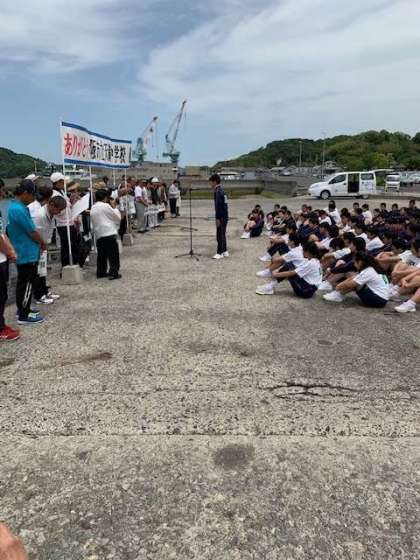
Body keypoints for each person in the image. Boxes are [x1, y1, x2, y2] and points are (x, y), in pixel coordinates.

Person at [7, 180, 46, 325]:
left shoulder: (16, 207)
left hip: (24, 250)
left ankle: (24, 308)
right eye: (32, 195)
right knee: (27, 283)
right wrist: (42, 242)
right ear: (24, 193)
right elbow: (32, 231)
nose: (34, 199)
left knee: (24, 282)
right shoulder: (19, 209)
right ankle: (23, 314)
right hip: (26, 252)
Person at [32, 196, 67, 304]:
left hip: (43, 244)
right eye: (58, 209)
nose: (59, 212)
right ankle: (38, 296)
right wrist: (42, 244)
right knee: (37, 271)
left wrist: (46, 243)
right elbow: (35, 233)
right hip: (36, 245)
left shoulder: (51, 214)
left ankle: (44, 291)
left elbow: (50, 230)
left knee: (42, 270)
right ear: (51, 205)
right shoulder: (40, 215)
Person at [256, 241, 322, 298]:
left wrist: (275, 274)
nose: (302, 252)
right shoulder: (315, 261)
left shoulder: (311, 263)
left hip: (306, 291)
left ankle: (270, 286)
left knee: (290, 270)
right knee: (290, 265)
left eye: (303, 251)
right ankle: (271, 285)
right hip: (309, 288)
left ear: (308, 252)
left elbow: (292, 273)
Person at [323, 252, 389, 308]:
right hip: (382, 299)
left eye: (354, 262)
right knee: (356, 278)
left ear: (360, 262)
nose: (354, 264)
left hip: (377, 300)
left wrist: (338, 287)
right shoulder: (375, 268)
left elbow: (350, 284)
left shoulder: (368, 271)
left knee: (355, 282)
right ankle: (337, 294)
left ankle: (337, 295)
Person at [50, 172, 87, 268]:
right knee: (68, 247)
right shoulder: (55, 194)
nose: (64, 184)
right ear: (58, 182)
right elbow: (59, 210)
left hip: (69, 223)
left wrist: (71, 201)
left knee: (72, 246)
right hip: (63, 224)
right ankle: (67, 266)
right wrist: (69, 204)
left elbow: (66, 205)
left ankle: (73, 264)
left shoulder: (61, 192)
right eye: (62, 182)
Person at [90, 189, 122, 280]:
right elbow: (117, 218)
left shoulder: (93, 207)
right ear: (105, 198)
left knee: (101, 255)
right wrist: (114, 208)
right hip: (108, 232)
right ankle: (113, 272)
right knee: (113, 255)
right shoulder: (105, 206)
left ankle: (101, 272)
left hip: (99, 234)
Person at [0, 231, 20, 341]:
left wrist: (10, 250)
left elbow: (2, 233)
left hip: (2, 258)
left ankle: (1, 325)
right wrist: (10, 252)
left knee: (2, 295)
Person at [209, 173, 229, 259]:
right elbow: (225, 204)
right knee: (223, 233)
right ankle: (225, 250)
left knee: (219, 234)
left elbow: (218, 206)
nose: (210, 184)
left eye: (211, 182)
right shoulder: (222, 190)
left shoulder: (218, 191)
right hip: (225, 215)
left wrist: (217, 218)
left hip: (221, 216)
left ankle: (219, 252)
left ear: (214, 182)